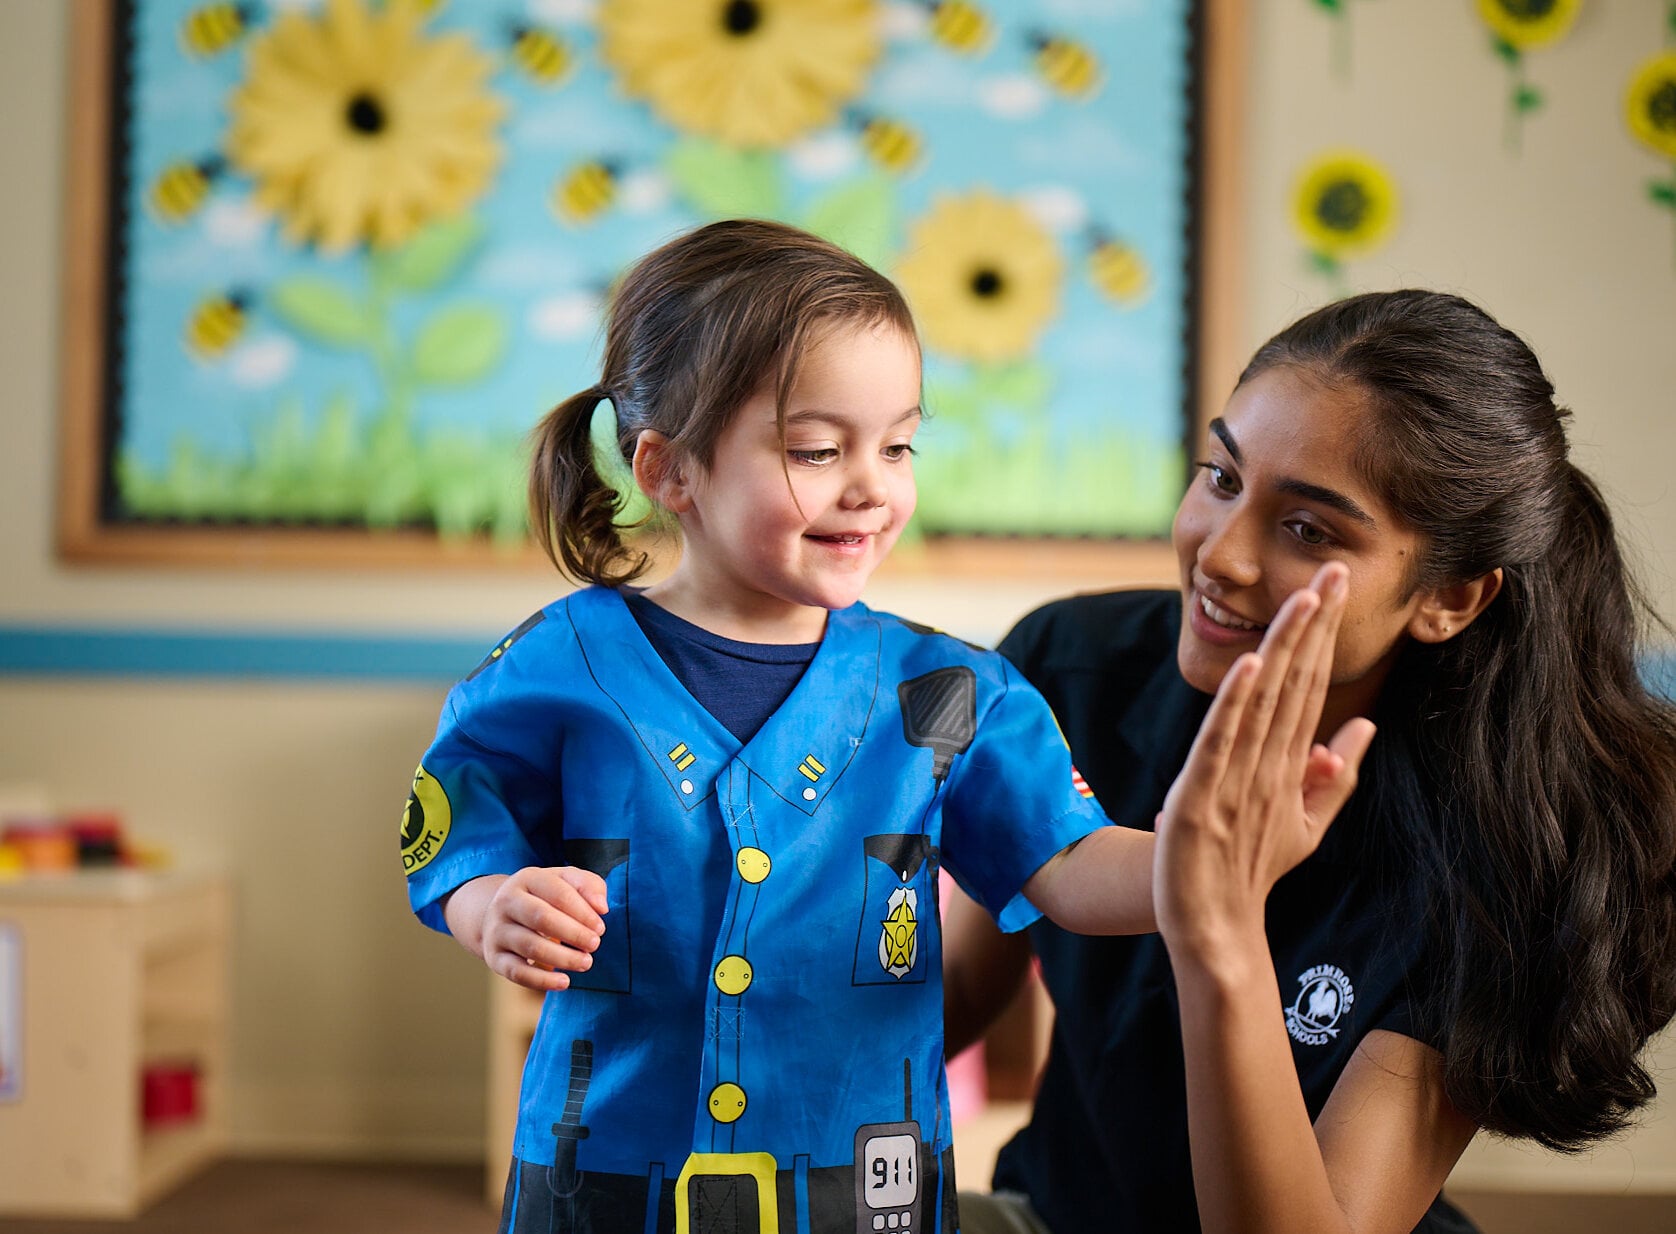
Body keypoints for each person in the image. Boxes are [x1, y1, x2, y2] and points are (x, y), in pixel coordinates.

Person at [398, 218, 1365, 1234]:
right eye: (816, 449)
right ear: (668, 468)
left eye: (897, 444)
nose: (871, 485)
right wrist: (492, 904)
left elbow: (1069, 864)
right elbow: (453, 830)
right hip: (607, 1169)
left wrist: (1201, 859)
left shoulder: (952, 690)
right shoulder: (558, 664)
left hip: (858, 1185)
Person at [944, 289, 1676, 1234]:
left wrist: (1218, 927)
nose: (1223, 556)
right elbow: (958, 989)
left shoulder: (1506, 852)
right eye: (1220, 477)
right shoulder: (1066, 671)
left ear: (1448, 597)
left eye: (1307, 531)